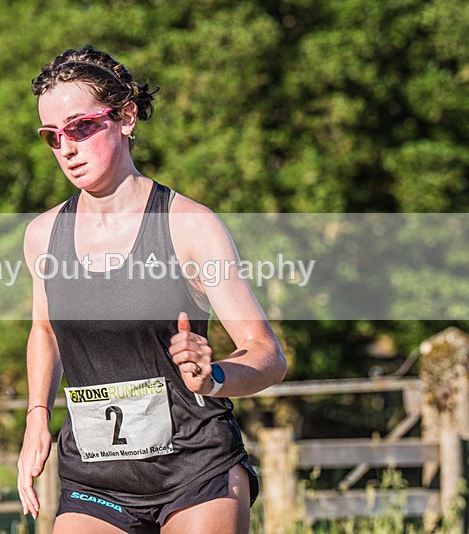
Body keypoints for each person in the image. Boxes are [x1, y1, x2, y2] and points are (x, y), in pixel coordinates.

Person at [17, 45, 287, 534]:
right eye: (52, 137)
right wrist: (38, 414)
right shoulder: (42, 235)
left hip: (195, 468)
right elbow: (45, 331)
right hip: (95, 477)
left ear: (126, 116)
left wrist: (214, 376)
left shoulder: (189, 226)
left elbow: (268, 354)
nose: (67, 148)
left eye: (80, 127)